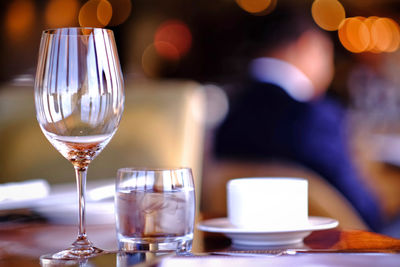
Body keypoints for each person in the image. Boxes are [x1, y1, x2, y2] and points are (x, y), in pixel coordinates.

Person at [214, 7, 384, 231]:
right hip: (336, 249)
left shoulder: (228, 113)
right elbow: (366, 210)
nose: (329, 68)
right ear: (307, 45)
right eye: (327, 54)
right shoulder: (316, 118)